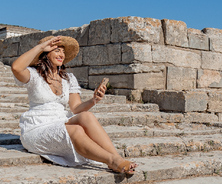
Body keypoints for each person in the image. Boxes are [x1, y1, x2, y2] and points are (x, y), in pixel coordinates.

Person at [11, 35, 137, 175]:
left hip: (60, 121)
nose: (62, 54)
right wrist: (41, 47)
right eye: (57, 50)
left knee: (87, 116)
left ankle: (117, 157)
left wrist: (93, 99)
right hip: (37, 128)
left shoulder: (68, 78)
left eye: (63, 52)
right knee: (76, 130)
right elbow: (16, 67)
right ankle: (111, 160)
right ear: (45, 53)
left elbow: (76, 108)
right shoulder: (34, 76)